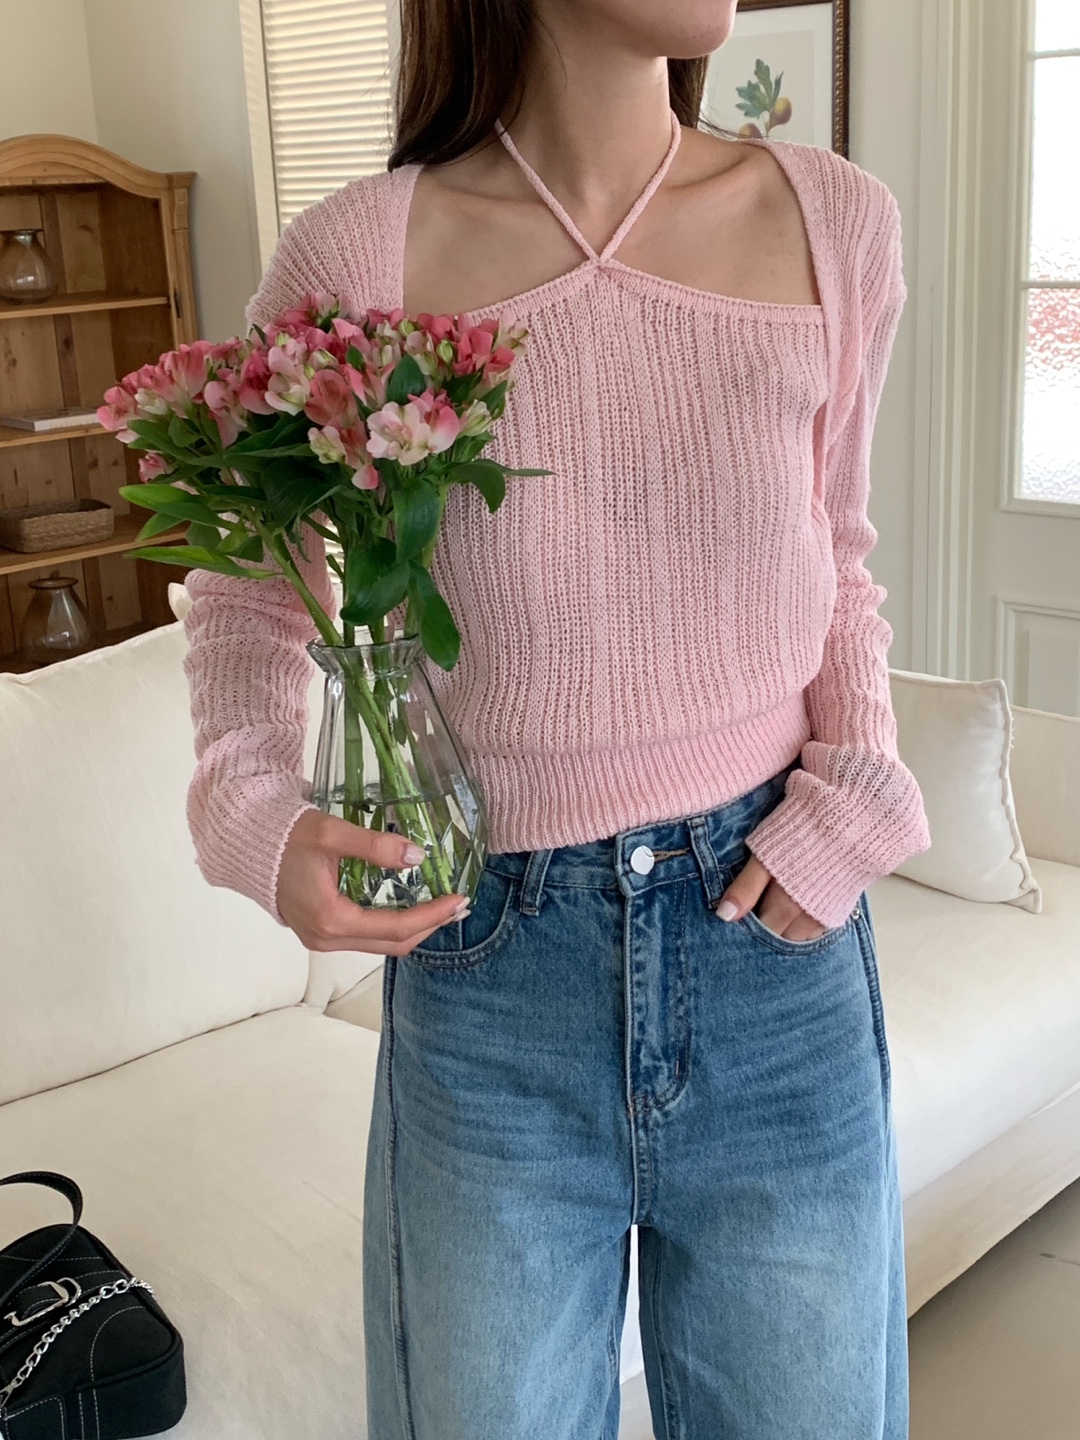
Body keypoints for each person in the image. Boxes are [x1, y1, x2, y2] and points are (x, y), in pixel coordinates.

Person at [181, 0, 932, 1435]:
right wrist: (252, 809)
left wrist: (860, 778)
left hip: (777, 958)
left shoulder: (837, 221)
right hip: (489, 974)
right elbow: (250, 575)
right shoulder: (360, 257)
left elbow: (838, 549)